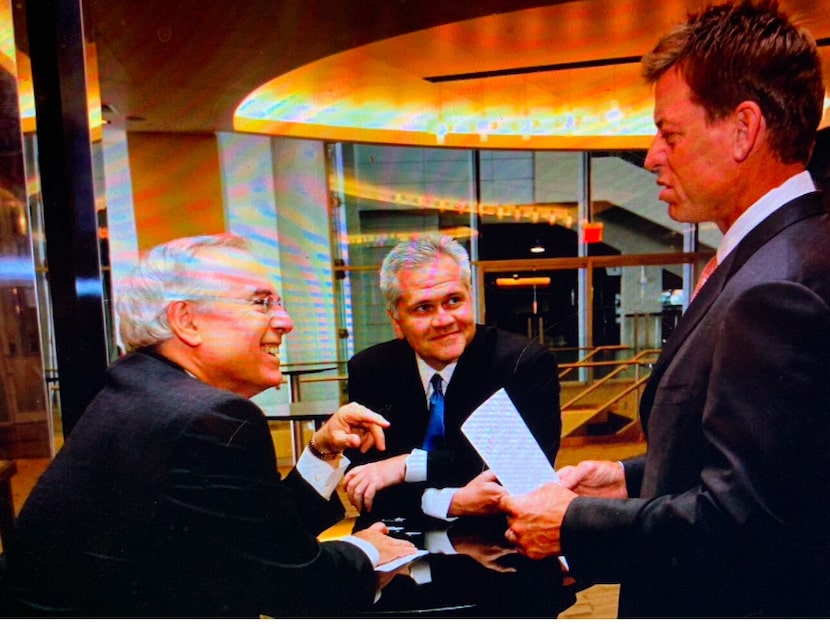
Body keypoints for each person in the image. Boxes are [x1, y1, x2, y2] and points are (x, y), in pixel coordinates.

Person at [501, 0, 830, 618]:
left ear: (744, 128)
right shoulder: (787, 251)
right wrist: (629, 478)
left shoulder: (775, 289)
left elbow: (743, 527)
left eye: (669, 133)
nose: (652, 155)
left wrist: (574, 525)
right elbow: (778, 464)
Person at [0, 234, 416, 617]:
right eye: (262, 302)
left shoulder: (141, 389)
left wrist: (322, 451)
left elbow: (256, 541)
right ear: (187, 320)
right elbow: (294, 587)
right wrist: (365, 550)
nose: (285, 321)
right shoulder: (209, 416)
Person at [343, 234, 561, 522]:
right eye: (423, 308)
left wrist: (407, 465)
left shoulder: (523, 364)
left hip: (504, 544)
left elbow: (520, 479)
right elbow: (365, 486)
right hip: (397, 546)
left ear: (472, 299)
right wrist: (449, 501)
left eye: (453, 301)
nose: (444, 320)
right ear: (397, 322)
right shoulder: (371, 370)